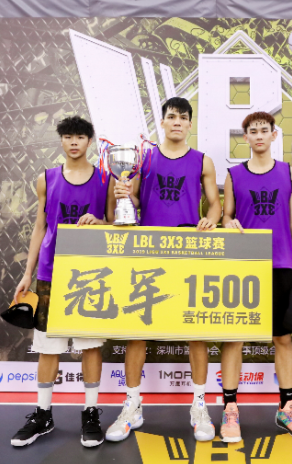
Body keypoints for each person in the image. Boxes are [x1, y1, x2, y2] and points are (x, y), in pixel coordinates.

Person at [106, 97, 222, 442]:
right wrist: (124, 194)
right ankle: (132, 405)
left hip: (187, 251)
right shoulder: (145, 158)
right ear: (163, 121)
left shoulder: (202, 160)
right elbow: (136, 202)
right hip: (148, 250)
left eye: (183, 118)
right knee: (136, 331)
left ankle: (199, 406)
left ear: (190, 124)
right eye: (171, 116)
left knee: (196, 331)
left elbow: (215, 204)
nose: (177, 122)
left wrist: (210, 220)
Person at [10, 116, 114, 448]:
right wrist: (28, 272)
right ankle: (43, 415)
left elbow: (116, 224)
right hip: (50, 273)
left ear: (89, 142)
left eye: (80, 137)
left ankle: (91, 413)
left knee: (90, 345)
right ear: (61, 141)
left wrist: (99, 222)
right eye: (68, 137)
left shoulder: (106, 179)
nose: (74, 142)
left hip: (90, 273)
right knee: (47, 347)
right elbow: (39, 227)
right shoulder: (46, 178)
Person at [219, 111, 292, 443]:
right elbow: (227, 216)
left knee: (282, 338)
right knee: (234, 339)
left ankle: (286, 409)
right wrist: (228, 222)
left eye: (264, 130)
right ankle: (230, 410)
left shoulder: (288, 172)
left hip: (281, 264)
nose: (258, 135)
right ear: (245, 137)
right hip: (244, 265)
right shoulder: (233, 175)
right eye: (252, 131)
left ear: (274, 135)